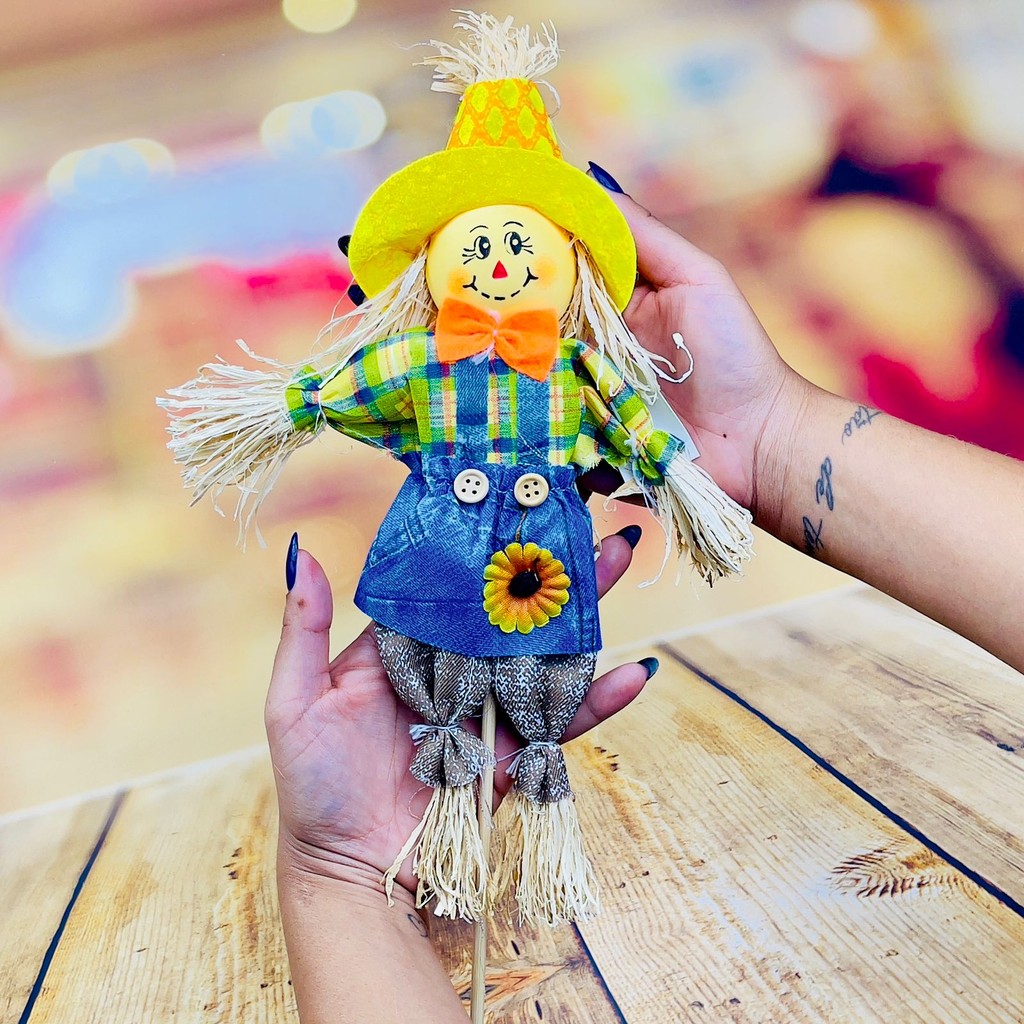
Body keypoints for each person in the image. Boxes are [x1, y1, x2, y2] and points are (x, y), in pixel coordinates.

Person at [266, 171, 1024, 1023]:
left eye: (520, 245)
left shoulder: (578, 366)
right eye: (476, 248)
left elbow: (633, 423)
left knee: (530, 673)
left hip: (532, 564)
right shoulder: (420, 363)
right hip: (462, 564)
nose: (500, 264)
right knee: (449, 662)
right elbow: (346, 393)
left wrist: (337, 882)